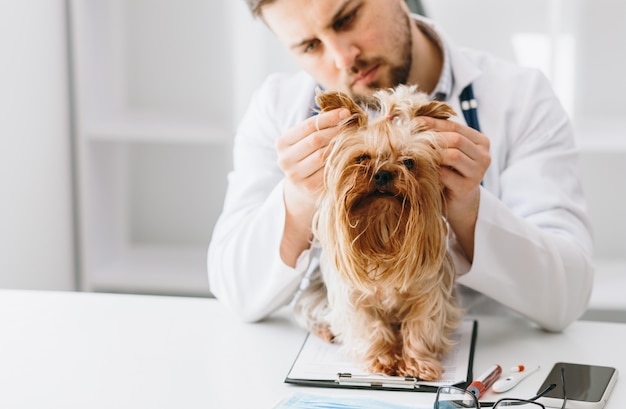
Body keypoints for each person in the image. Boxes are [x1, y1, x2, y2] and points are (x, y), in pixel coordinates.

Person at [208, 0, 594, 332]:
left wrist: (469, 209)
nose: (343, 59)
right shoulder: (277, 108)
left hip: (490, 362)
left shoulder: (522, 98)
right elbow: (235, 293)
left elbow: (567, 298)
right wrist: (296, 201)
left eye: (346, 18)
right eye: (311, 46)